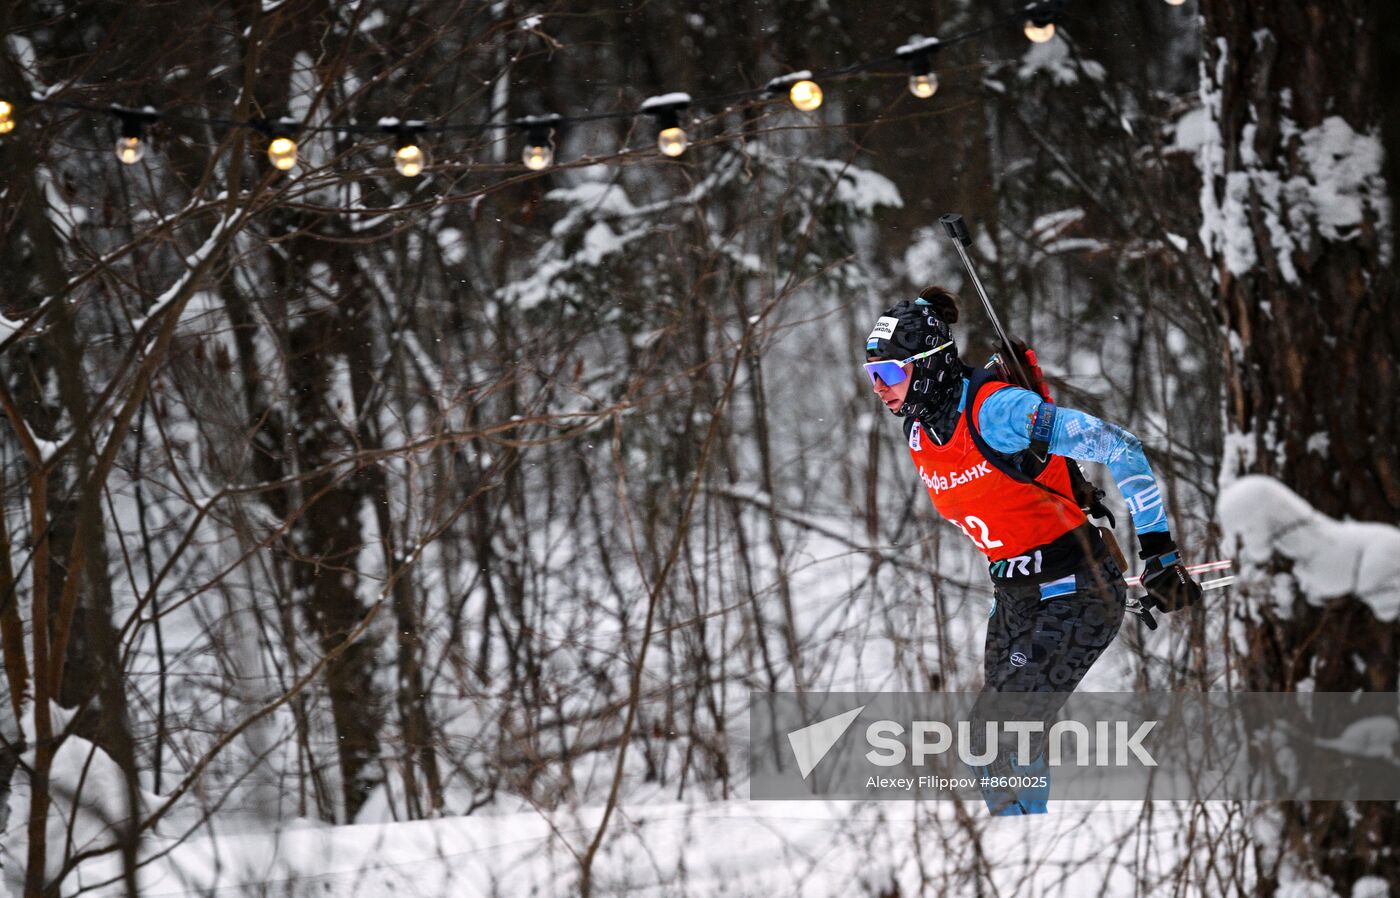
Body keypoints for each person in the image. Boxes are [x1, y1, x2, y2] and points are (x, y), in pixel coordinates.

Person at [863, 286, 1203, 815]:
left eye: (889, 373)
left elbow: (1119, 446)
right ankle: (1020, 835)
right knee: (997, 742)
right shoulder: (920, 432)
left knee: (996, 734)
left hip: (1078, 591)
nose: (880, 388)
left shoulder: (997, 411)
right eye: (872, 375)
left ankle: (1024, 839)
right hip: (1015, 596)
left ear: (928, 365)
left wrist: (1159, 552)